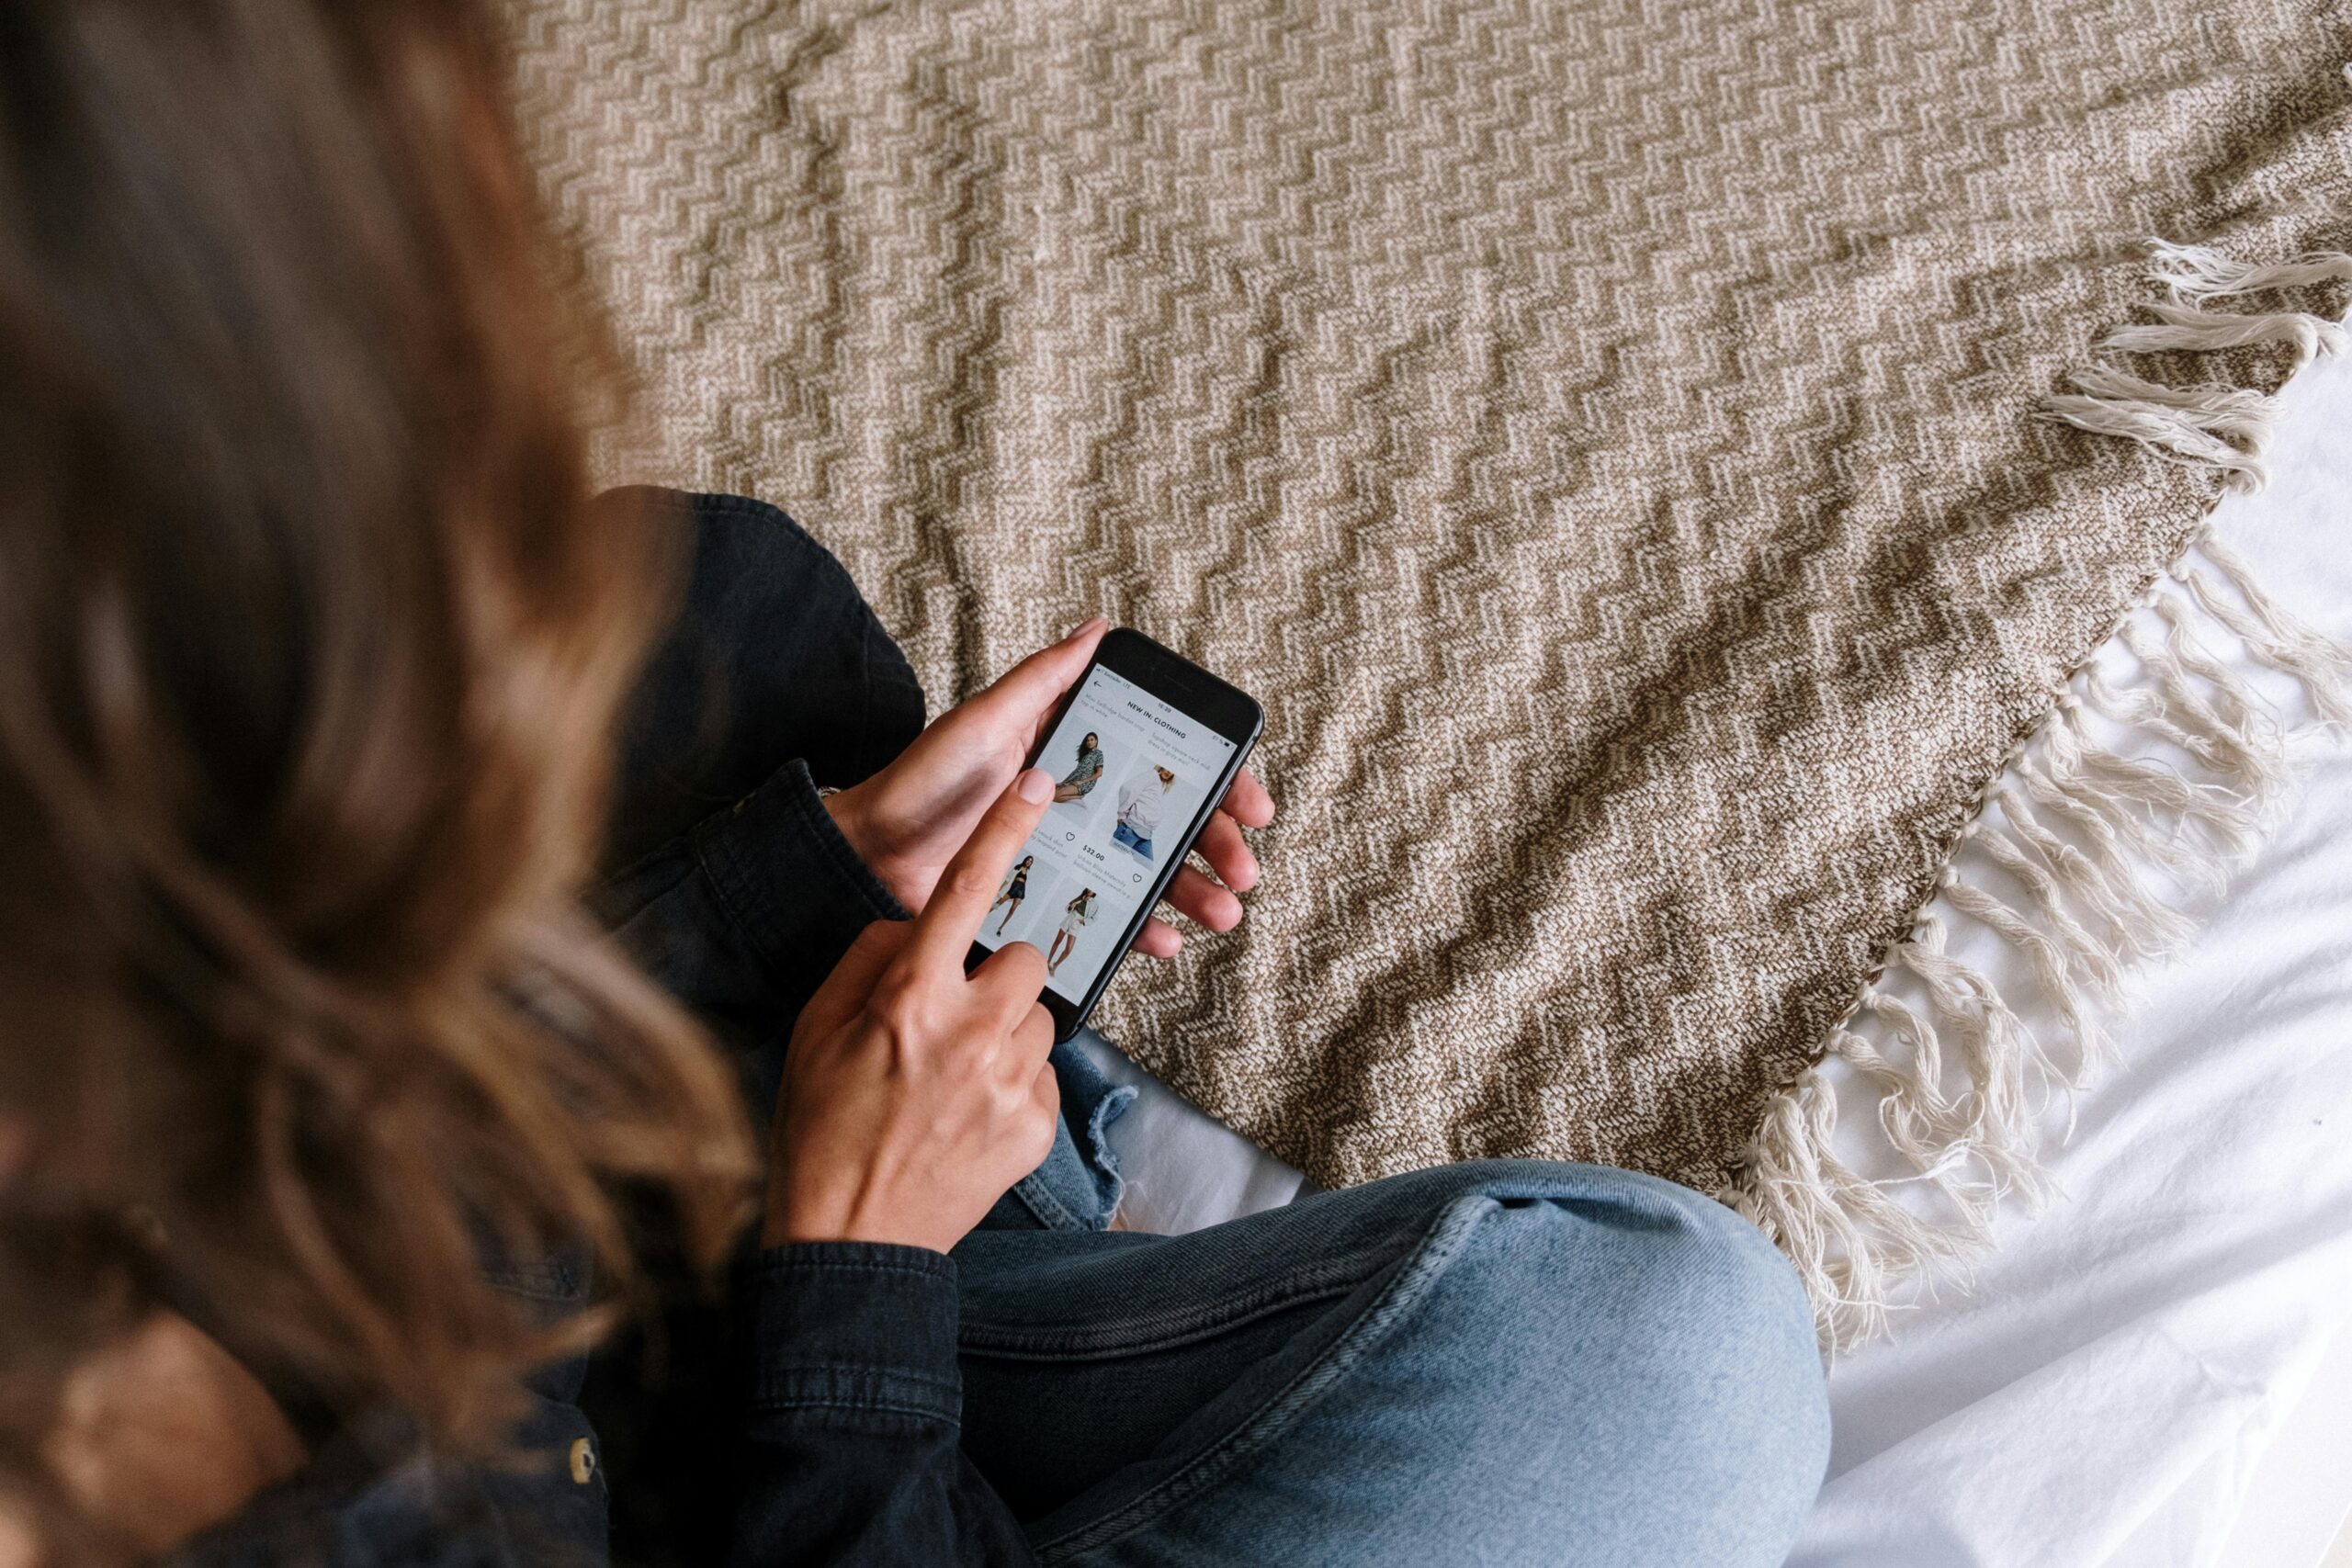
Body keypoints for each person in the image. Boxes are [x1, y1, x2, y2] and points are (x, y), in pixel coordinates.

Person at [0, 4, 1833, 1567]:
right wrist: (860, 1259)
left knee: (715, 608)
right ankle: (975, 1155)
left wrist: (805, 879)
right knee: (1667, 1359)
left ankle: (920, 1070)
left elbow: (374, 1167)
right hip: (771, 1428)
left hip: (588, 1243)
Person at [1113, 766, 1174, 860]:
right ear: (1161, 767)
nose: (1169, 771)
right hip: (1131, 829)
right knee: (1113, 859)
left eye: (1172, 771)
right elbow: (1127, 788)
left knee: (1147, 866)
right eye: (1168, 767)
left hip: (1146, 835)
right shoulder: (1152, 775)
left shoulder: (1157, 784)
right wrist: (1122, 815)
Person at [1046, 887, 1098, 976]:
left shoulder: (1094, 904)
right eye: (1089, 889)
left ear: (1094, 893)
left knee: (1068, 950)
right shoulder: (1080, 897)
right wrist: (1072, 906)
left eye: (1092, 890)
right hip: (1069, 919)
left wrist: (1084, 921)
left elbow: (1094, 918)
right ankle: (1048, 961)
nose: (1090, 891)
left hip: (1077, 923)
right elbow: (1068, 908)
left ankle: (1055, 965)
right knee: (1057, 941)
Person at [1053, 731, 1106, 803]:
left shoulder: (1099, 754)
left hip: (1084, 784)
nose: (1089, 742)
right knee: (1053, 792)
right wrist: (1063, 782)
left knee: (1055, 797)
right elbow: (1076, 771)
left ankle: (1078, 797)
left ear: (1096, 741)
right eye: (1087, 740)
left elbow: (1099, 773)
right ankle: (1074, 793)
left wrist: (1081, 782)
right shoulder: (1086, 755)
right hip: (1075, 780)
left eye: (1092, 740)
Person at [990, 855, 1035, 935]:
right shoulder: (1018, 867)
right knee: (998, 903)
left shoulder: (1028, 871)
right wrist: (1001, 887)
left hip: (1021, 890)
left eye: (1031, 861)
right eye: (1028, 860)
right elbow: (1008, 878)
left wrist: (1022, 896)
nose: (1029, 862)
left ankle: (1000, 928)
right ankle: (984, 915)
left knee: (1012, 911)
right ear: (1025, 860)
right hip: (1013, 888)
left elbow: (1025, 883)